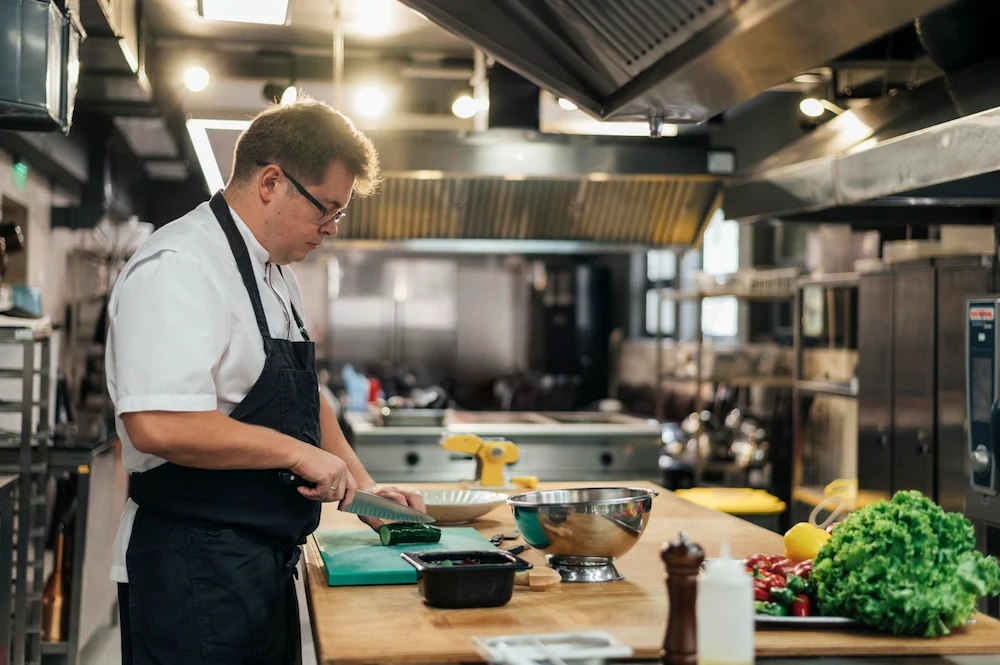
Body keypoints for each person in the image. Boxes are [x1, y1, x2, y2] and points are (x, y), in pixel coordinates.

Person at [105, 99, 425, 664]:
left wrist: (365, 489)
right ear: (272, 181)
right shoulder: (182, 264)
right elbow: (157, 424)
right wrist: (298, 455)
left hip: (259, 562)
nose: (329, 228)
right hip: (190, 567)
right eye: (326, 209)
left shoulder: (276, 275)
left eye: (338, 214)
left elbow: (303, 395)